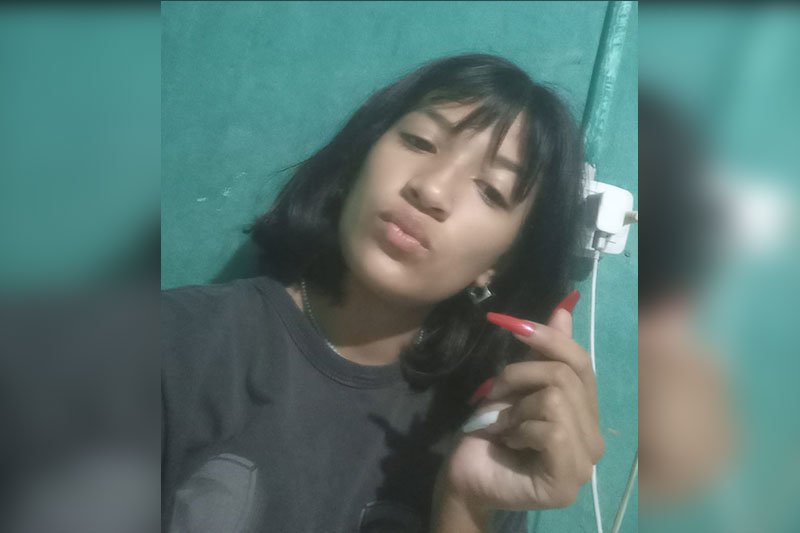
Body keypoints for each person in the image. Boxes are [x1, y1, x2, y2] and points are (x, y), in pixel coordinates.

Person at [162, 53, 604, 532]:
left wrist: (464, 503)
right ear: (360, 157)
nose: (431, 190)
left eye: (491, 191)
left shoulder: (487, 434)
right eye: (419, 141)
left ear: (500, 263)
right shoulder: (173, 341)